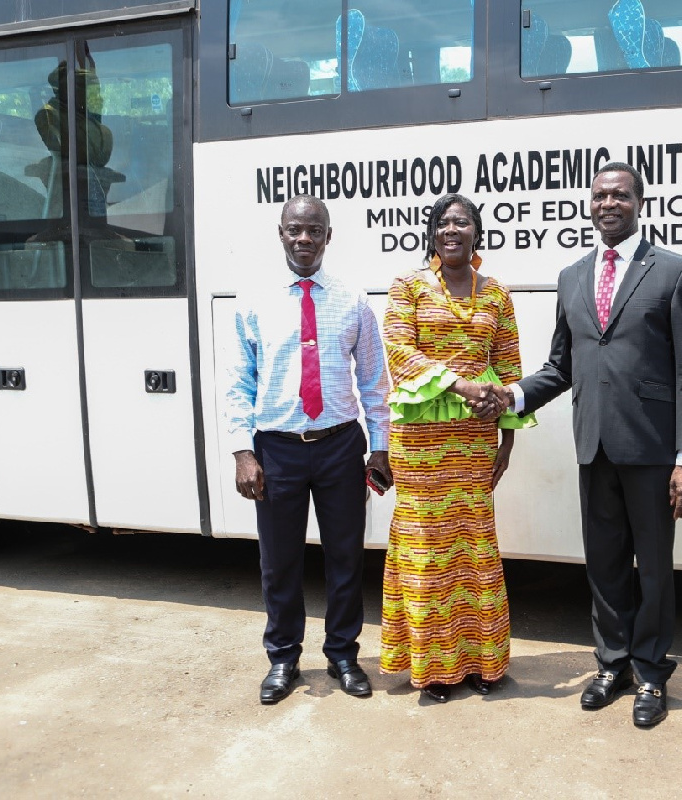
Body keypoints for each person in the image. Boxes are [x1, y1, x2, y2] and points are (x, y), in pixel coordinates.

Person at [493, 162, 682, 728]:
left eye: (620, 195)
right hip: (595, 446)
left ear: (640, 202)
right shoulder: (572, 276)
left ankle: (652, 674)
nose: (608, 203)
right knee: (605, 563)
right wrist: (510, 396)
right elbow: (560, 366)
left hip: (654, 450)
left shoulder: (673, 270)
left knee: (654, 567)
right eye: (599, 196)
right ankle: (612, 665)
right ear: (589, 205)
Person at [225, 194, 392, 705]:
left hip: (340, 446)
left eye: (314, 230)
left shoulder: (353, 300)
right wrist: (242, 452)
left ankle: (343, 654)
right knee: (279, 562)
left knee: (345, 558)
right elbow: (238, 382)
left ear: (327, 237)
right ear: (281, 233)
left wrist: (380, 449)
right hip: (276, 451)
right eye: (295, 230)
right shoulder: (253, 301)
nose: (304, 239)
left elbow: (373, 380)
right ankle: (283, 658)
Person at [379, 193, 534, 703]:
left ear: (476, 232)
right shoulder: (408, 287)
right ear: (432, 233)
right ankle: (432, 669)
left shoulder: (496, 294)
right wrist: (463, 386)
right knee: (427, 549)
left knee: (473, 546)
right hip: (420, 440)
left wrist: (507, 439)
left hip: (474, 440)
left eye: (462, 222)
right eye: (443, 222)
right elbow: (399, 350)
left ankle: (482, 662)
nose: (452, 230)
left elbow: (509, 365)